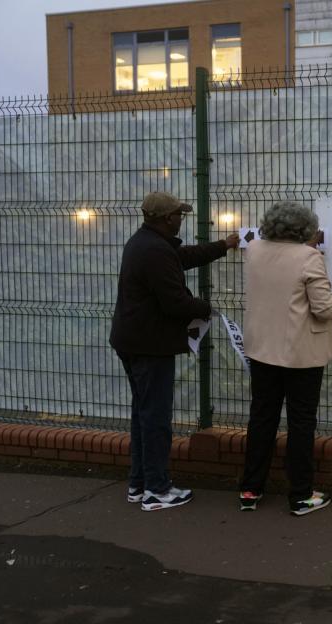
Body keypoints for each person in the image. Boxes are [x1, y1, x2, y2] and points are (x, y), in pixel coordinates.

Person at [110, 191, 239, 511]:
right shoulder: (155, 250)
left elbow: (186, 257)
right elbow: (175, 303)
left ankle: (139, 484)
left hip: (133, 340)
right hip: (150, 345)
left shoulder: (145, 242)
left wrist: (223, 246)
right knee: (155, 418)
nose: (182, 218)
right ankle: (157, 489)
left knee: (143, 414)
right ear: (167, 219)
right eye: (179, 215)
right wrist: (207, 309)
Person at [239, 201, 332, 516]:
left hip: (262, 349)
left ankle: (250, 489)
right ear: (306, 230)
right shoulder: (309, 257)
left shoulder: (255, 250)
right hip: (300, 353)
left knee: (262, 418)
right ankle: (300, 495)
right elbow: (323, 308)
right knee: (301, 423)